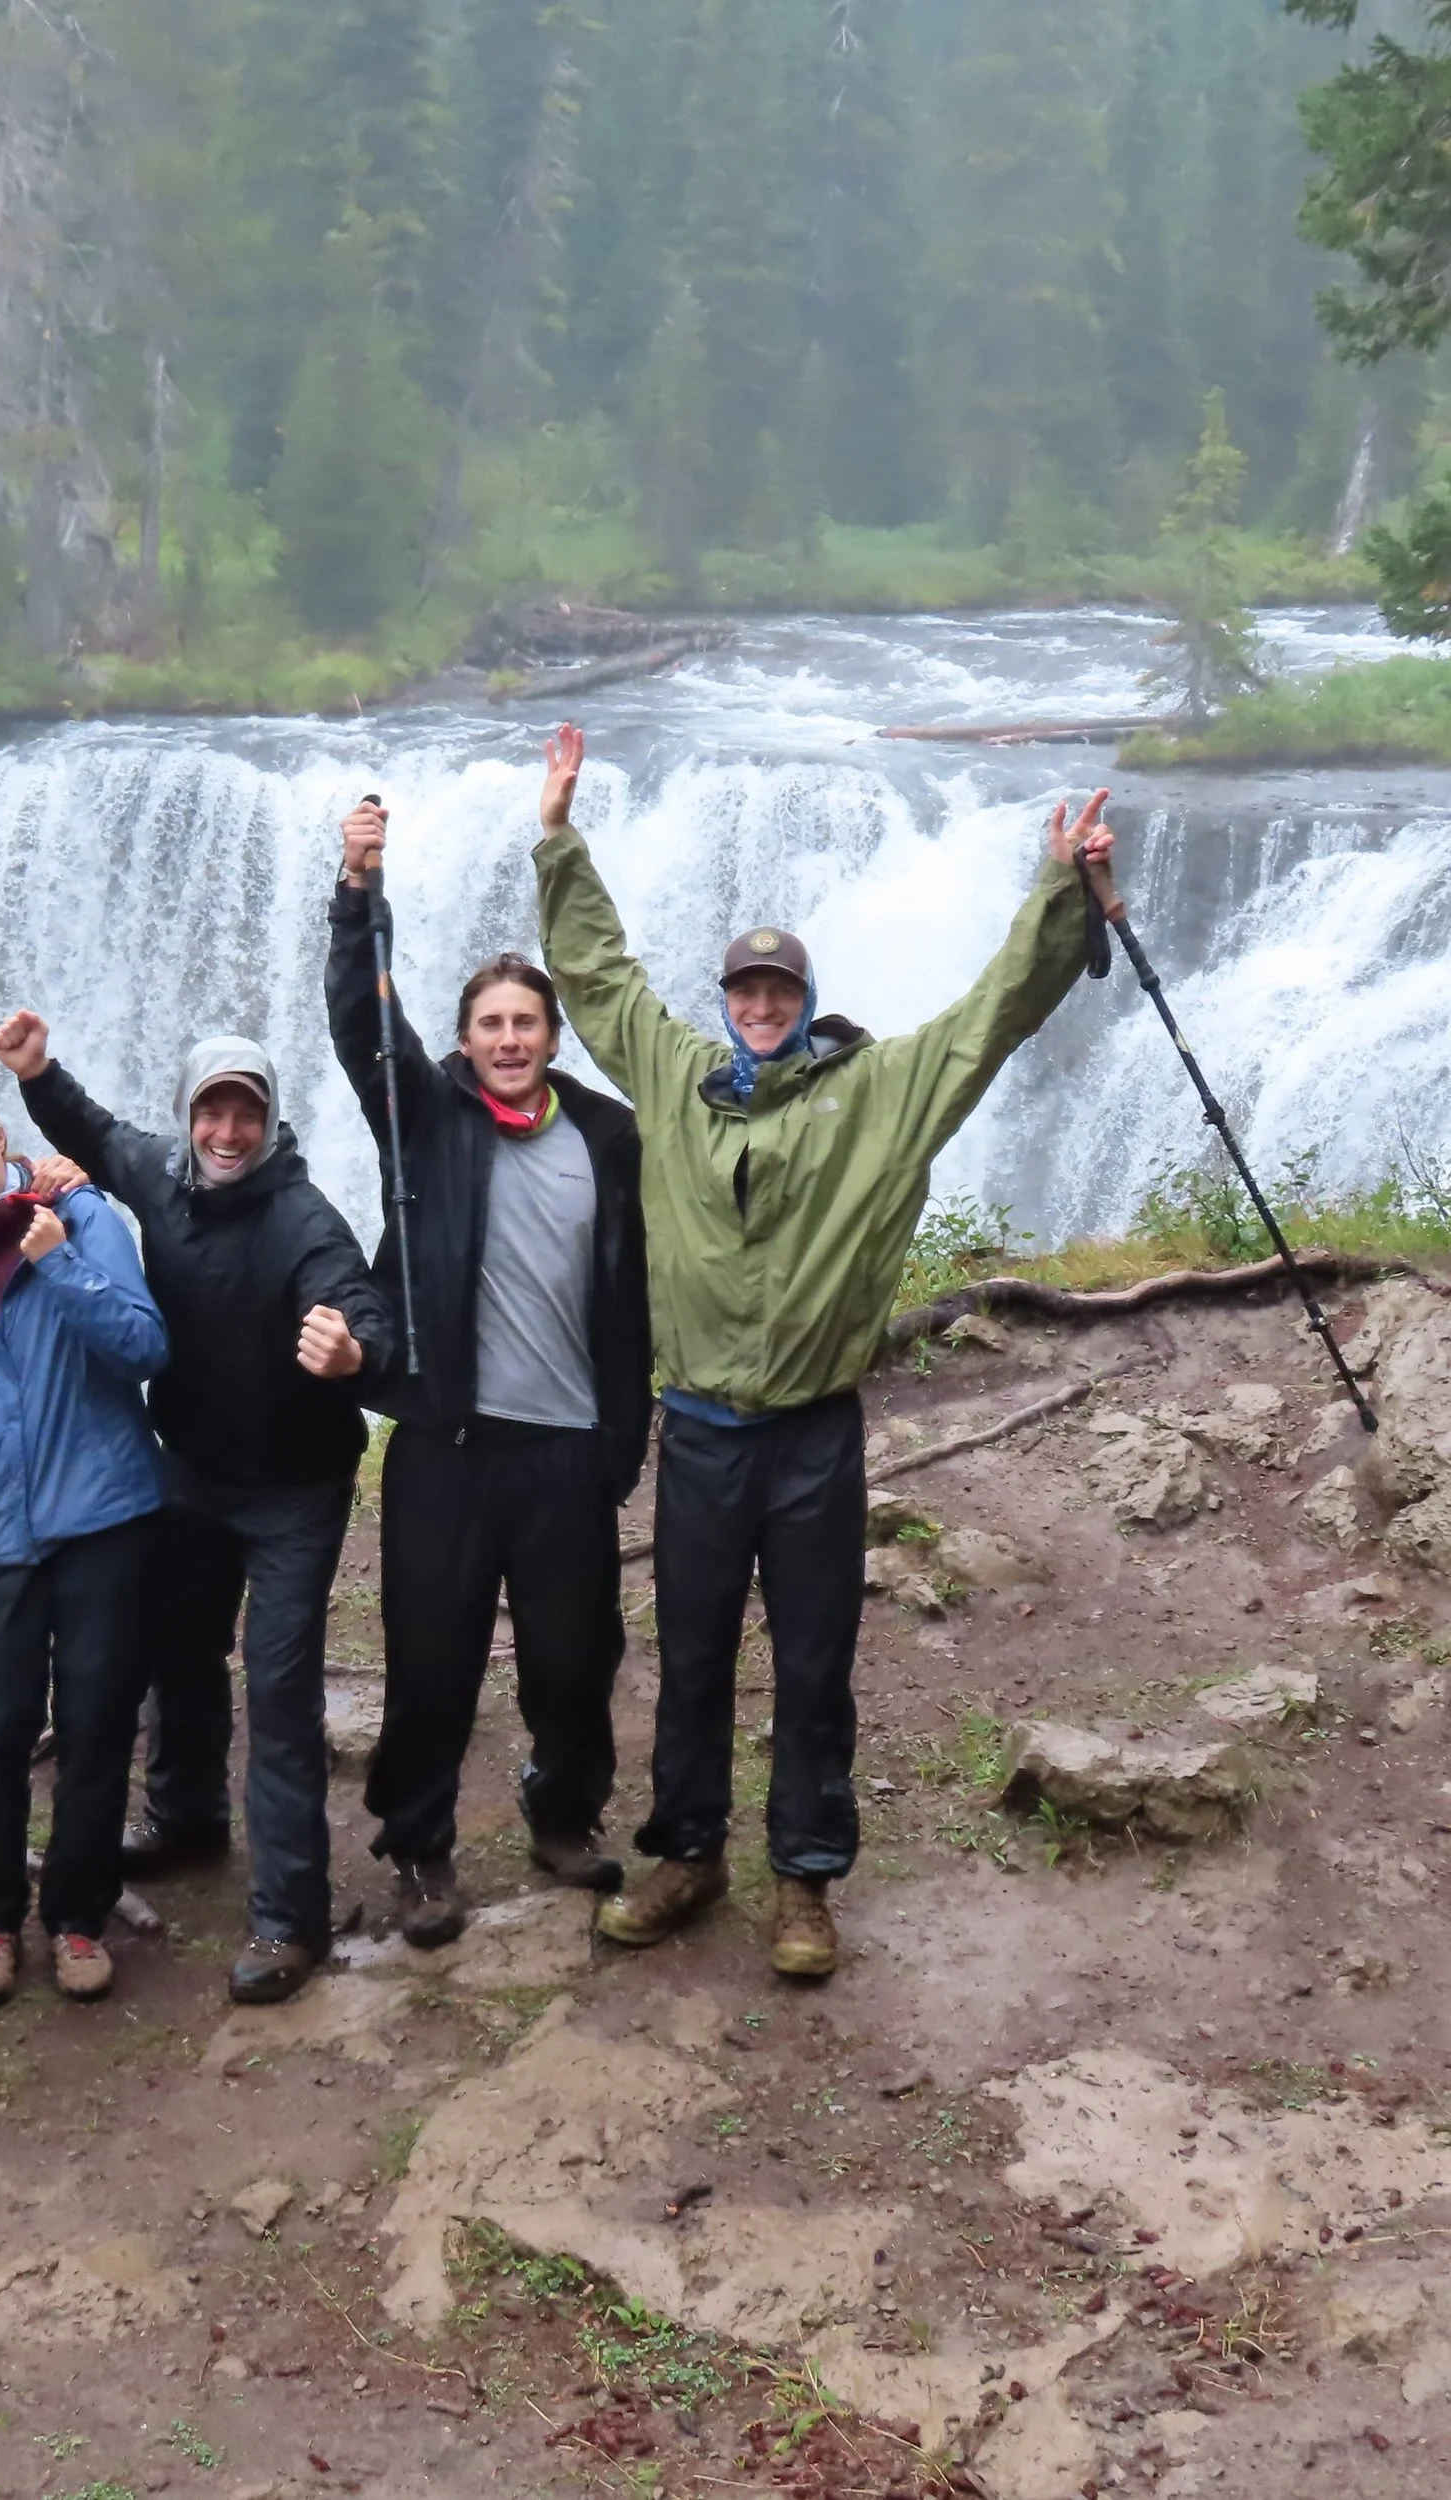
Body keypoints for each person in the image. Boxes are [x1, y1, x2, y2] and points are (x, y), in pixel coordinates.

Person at [529, 723, 1113, 1979]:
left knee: (813, 1661)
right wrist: (560, 840)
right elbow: (596, 980)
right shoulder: (673, 1073)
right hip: (695, 1432)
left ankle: (803, 1881)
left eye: (778, 993)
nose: (757, 1008)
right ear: (724, 998)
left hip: (808, 1436)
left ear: (803, 1004)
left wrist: (1062, 894)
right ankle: (685, 1854)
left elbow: (984, 1022)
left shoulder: (876, 1094)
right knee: (689, 1654)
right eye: (743, 990)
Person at [0, 1014, 391, 2004]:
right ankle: (187, 1818)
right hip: (194, 1470)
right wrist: (38, 1070)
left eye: (243, 1112)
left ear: (267, 1120)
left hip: (295, 1488)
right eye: (211, 1109)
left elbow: (354, 1300)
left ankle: (289, 1916)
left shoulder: (303, 1218)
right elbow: (90, 1128)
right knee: (177, 1648)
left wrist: (356, 1351)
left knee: (281, 1687)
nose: (225, 1129)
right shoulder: (160, 1177)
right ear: (190, 1114)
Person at [325, 798, 653, 1949]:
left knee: (573, 1659)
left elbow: (634, 1300)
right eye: (489, 1024)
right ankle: (417, 1850)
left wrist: (622, 1443)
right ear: (463, 1041)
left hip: (567, 1449)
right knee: (431, 1663)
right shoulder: (428, 1119)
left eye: (525, 1022)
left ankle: (562, 1814)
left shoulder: (609, 1139)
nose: (508, 1039)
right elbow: (358, 1023)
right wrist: (358, 890)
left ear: (552, 1037)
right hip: (448, 1446)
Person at [0, 1076, 168, 2007]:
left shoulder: (79, 1212)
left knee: (95, 1726)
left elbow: (143, 1346)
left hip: (103, 1517)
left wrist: (60, 1261)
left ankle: (78, 1918)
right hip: (3, 1534)